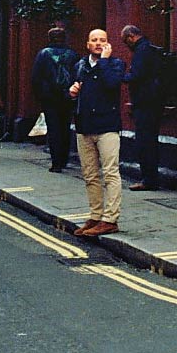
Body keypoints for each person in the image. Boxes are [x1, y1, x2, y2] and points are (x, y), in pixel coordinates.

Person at [69, 28, 127, 237]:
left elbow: (111, 84)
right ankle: (95, 215)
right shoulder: (80, 65)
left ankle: (110, 219)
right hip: (84, 126)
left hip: (107, 126)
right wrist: (73, 92)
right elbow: (78, 89)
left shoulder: (116, 64)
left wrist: (104, 61)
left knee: (110, 173)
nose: (98, 43)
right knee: (90, 174)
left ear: (108, 44)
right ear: (87, 44)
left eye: (102, 40)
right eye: (94, 40)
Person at [122, 25, 168, 190]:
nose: (126, 45)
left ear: (131, 36)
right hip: (154, 101)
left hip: (145, 102)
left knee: (144, 141)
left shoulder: (142, 51)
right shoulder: (150, 48)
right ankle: (150, 178)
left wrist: (122, 76)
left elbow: (137, 76)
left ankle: (148, 180)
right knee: (150, 140)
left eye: (125, 41)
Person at [31, 27, 77, 172]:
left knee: (53, 129)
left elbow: (36, 77)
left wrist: (39, 95)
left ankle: (56, 163)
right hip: (67, 96)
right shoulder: (72, 54)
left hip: (49, 97)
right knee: (65, 127)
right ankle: (64, 159)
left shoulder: (43, 54)